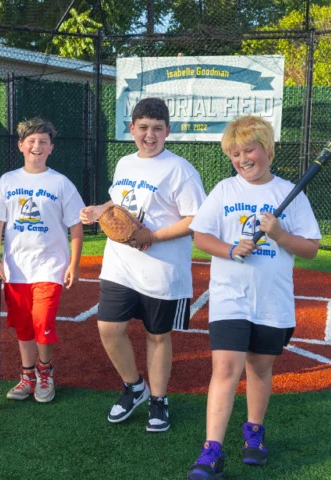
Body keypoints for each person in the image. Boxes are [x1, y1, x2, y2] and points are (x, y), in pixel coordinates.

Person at [186, 115, 321, 478]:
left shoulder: (289, 193)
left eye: (249, 150)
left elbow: (310, 249)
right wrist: (231, 250)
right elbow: (200, 237)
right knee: (225, 369)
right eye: (235, 152)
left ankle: (254, 434)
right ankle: (211, 451)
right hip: (231, 297)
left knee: (259, 368)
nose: (242, 158)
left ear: (269, 151)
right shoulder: (225, 190)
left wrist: (279, 234)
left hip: (273, 300)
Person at [79, 97, 206, 433]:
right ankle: (134, 386)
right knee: (108, 328)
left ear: (167, 132)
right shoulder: (124, 163)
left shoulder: (180, 169)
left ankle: (159, 400)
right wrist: (99, 209)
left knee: (157, 336)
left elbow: (196, 219)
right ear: (132, 128)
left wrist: (154, 235)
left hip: (162, 271)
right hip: (120, 264)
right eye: (144, 128)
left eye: (157, 129)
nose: (150, 135)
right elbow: (119, 204)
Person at [0, 118, 84, 404]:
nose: (37, 146)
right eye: (31, 141)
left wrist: (74, 264)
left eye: (43, 142)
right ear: (21, 146)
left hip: (49, 267)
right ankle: (27, 375)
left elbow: (76, 227)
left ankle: (45, 371)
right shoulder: (8, 181)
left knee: (42, 321)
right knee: (23, 326)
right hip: (16, 269)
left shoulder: (60, 183)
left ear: (51, 148)